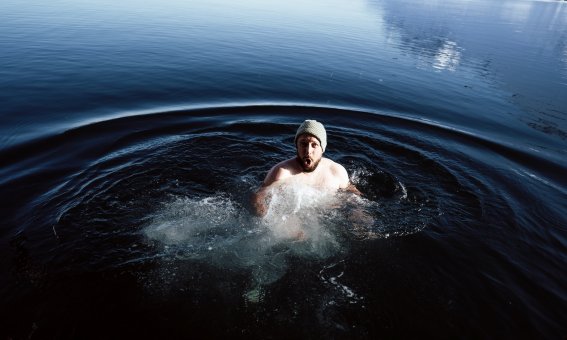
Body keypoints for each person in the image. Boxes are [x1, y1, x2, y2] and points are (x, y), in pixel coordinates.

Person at [252, 119, 361, 217]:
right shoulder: (282, 173)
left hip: (329, 216)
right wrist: (264, 214)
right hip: (292, 217)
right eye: (303, 144)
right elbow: (259, 196)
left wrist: (359, 213)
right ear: (297, 146)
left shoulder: (337, 172)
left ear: (322, 148)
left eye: (314, 145)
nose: (308, 151)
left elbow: (352, 194)